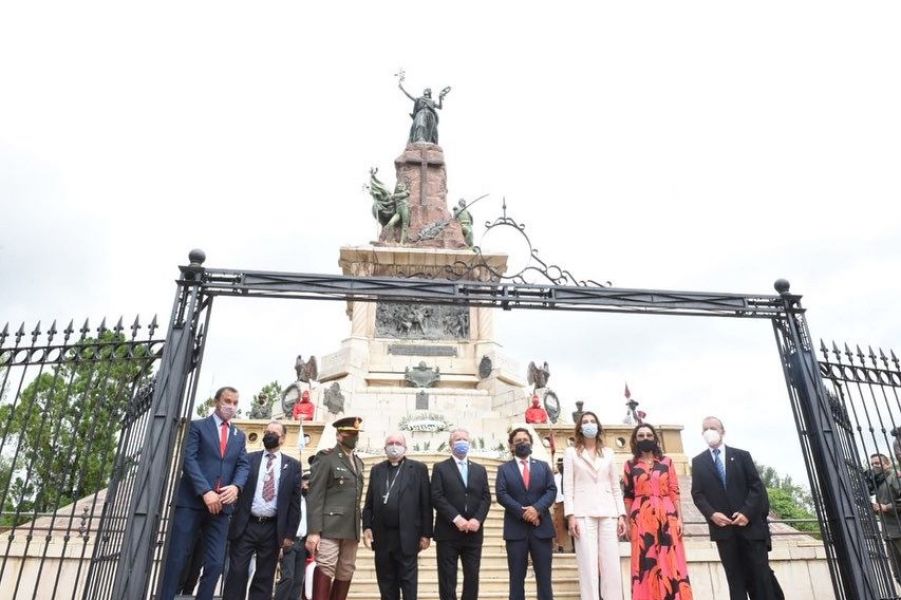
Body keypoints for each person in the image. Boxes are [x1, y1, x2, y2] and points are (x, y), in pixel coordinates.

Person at [159, 386, 250, 600]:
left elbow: (243, 466)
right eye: (227, 400)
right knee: (178, 558)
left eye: (235, 403)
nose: (231, 406)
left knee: (216, 563)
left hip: (221, 508)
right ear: (217, 401)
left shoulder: (239, 436)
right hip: (191, 504)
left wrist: (236, 487)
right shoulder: (197, 427)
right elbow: (187, 460)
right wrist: (205, 491)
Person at [691, 416, 775, 600]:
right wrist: (712, 514)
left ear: (723, 431)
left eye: (713, 427)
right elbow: (697, 494)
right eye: (706, 429)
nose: (710, 431)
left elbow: (756, 487)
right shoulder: (698, 462)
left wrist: (746, 512)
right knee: (735, 581)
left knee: (760, 579)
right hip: (724, 532)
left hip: (750, 529)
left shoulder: (741, 456)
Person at [223, 421, 302, 600]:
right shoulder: (248, 460)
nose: (269, 435)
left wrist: (289, 534)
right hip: (246, 525)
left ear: (282, 438)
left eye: (274, 433)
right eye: (267, 432)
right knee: (236, 572)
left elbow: (294, 504)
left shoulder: (293, 466)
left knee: (264, 578)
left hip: (273, 529)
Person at [623, 423, 693, 599]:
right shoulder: (630, 465)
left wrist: (680, 520)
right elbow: (628, 495)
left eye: (648, 435)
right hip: (641, 517)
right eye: (641, 436)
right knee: (646, 562)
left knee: (671, 559)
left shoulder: (666, 462)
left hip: (667, 514)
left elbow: (674, 491)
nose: (645, 438)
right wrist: (628, 523)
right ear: (635, 440)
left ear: (654, 438)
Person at [562, 411, 627, 600]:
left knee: (611, 565)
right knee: (588, 565)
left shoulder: (608, 453)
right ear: (580, 427)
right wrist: (570, 515)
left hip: (609, 512)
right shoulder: (571, 453)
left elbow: (616, 486)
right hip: (583, 513)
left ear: (598, 426)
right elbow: (568, 485)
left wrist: (621, 515)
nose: (589, 424)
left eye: (592, 421)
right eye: (585, 422)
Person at [362, 432, 433, 600]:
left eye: (398, 443)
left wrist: (426, 534)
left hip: (408, 536)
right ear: (385, 448)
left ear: (405, 448)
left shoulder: (418, 469)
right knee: (386, 584)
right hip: (383, 537)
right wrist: (366, 527)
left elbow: (426, 504)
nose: (394, 446)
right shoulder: (377, 470)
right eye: (391, 443)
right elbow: (369, 503)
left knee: (408, 584)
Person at [306, 416, 366, 600]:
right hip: (329, 526)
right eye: (350, 433)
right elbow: (315, 495)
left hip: (351, 527)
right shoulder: (326, 458)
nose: (354, 437)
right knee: (326, 566)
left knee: (346, 570)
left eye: (356, 434)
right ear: (339, 435)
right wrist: (314, 531)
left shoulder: (358, 462)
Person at [495, 427, 557, 600]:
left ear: (531, 442)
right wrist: (523, 512)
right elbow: (501, 495)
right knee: (516, 579)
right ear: (511, 446)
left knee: (544, 578)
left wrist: (536, 509)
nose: (523, 443)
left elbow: (551, 490)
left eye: (525, 440)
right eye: (518, 441)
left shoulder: (543, 467)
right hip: (516, 531)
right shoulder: (504, 469)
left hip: (541, 529)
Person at [430, 428, 491, 600]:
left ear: (469, 444)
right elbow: (436, 496)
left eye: (464, 439)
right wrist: (456, 518)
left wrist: (477, 519)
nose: (461, 442)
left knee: (472, 577)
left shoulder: (480, 470)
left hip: (473, 532)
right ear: (450, 445)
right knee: (447, 578)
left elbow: (486, 497)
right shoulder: (440, 468)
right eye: (457, 439)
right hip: (448, 532)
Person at [273, 471, 310, 600]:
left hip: (303, 543)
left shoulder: (309, 501)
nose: (307, 483)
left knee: (298, 580)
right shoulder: (290, 499)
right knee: (288, 577)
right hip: (290, 541)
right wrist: (280, 544)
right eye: (305, 480)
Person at [870, 453, 901, 585]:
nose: (875, 466)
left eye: (878, 463)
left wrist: (886, 507)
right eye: (872, 464)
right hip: (888, 534)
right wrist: (876, 508)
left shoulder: (895, 477)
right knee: (897, 574)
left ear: (887, 464)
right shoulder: (878, 483)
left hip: (899, 531)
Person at [398, 76, 450, 145]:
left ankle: (429, 142)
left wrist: (440, 98)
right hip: (421, 113)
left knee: (430, 129)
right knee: (420, 124)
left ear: (430, 92)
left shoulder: (431, 101)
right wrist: (402, 89)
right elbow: (409, 95)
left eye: (428, 90)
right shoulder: (419, 99)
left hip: (430, 115)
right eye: (425, 90)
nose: (426, 91)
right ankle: (420, 139)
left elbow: (440, 107)